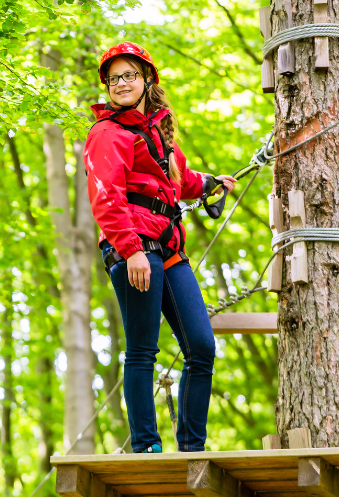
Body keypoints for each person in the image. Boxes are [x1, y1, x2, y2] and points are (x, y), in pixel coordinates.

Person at [84, 42, 236, 453]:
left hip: (167, 248)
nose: (121, 83)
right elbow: (106, 197)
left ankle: (191, 447)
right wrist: (131, 250)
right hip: (134, 247)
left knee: (201, 347)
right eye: (114, 78)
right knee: (142, 350)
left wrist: (210, 184)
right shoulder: (107, 134)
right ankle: (146, 446)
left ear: (147, 79)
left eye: (129, 75)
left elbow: (179, 179)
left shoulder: (157, 131)